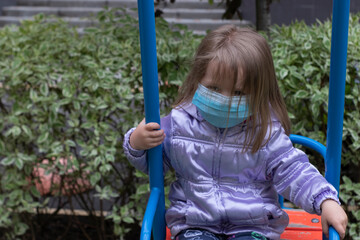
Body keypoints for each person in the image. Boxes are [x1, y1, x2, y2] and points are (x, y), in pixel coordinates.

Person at [123, 25, 347, 240]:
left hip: (252, 226)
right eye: (214, 88)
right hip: (194, 223)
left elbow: (294, 171)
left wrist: (325, 200)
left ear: (259, 93)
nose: (226, 100)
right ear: (198, 81)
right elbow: (156, 165)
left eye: (239, 92)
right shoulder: (179, 124)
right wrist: (137, 143)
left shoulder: (266, 133)